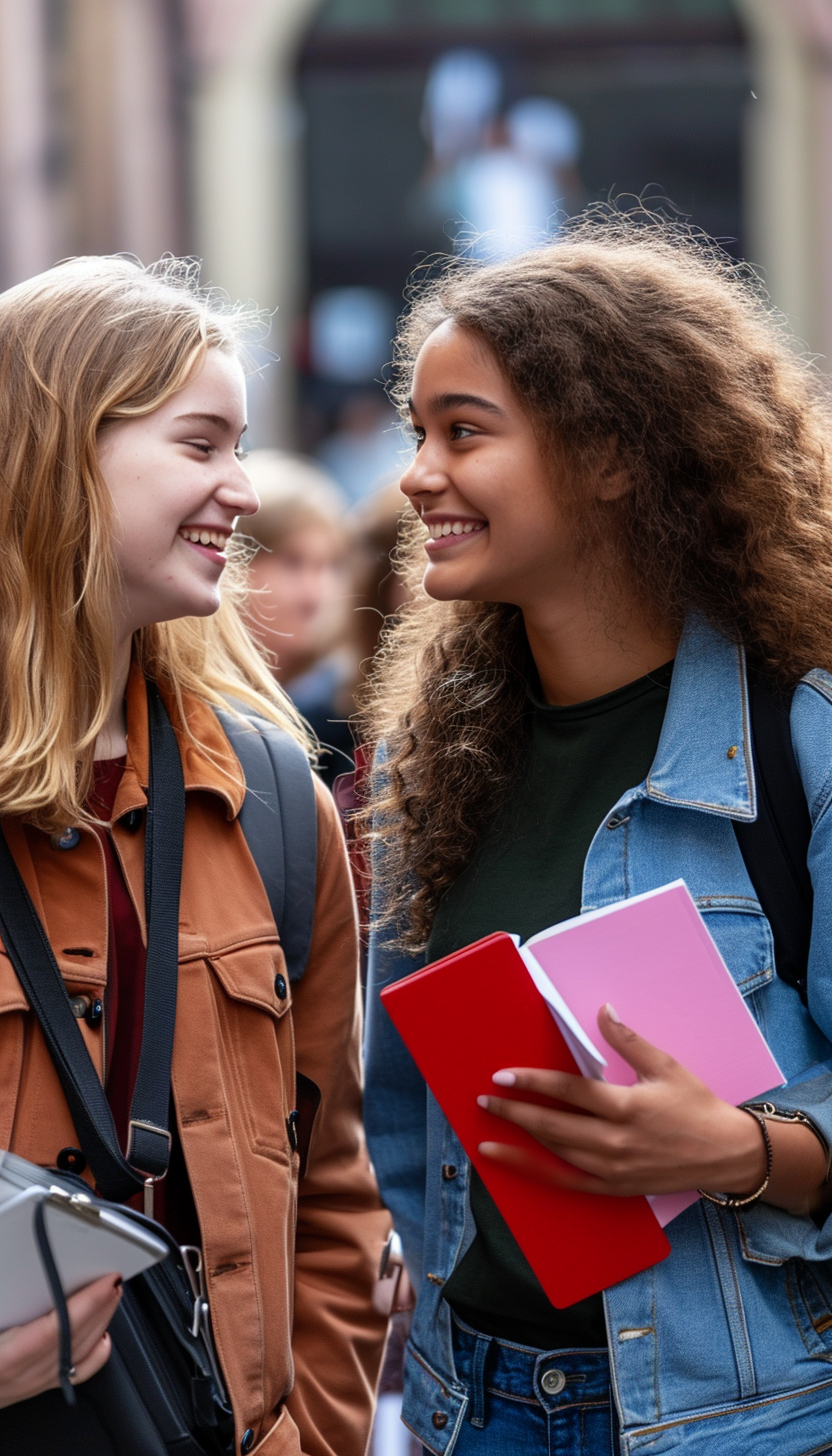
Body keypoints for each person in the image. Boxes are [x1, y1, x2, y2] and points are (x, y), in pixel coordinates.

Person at [362, 216, 832, 1456]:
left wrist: (741, 1151)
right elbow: (408, 1112)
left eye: (464, 431)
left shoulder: (803, 734)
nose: (417, 474)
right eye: (418, 433)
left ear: (613, 455)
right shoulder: (433, 759)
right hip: (472, 1405)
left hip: (741, 1420)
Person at [0, 256, 390, 1454]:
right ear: (60, 451)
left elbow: (333, 1195)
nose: (241, 489)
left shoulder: (276, 799)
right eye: (201, 442)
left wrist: (301, 1438)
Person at [243, 449, 354, 787]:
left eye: (327, 566)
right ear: (233, 563)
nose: (315, 593)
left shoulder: (340, 709)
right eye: (293, 563)